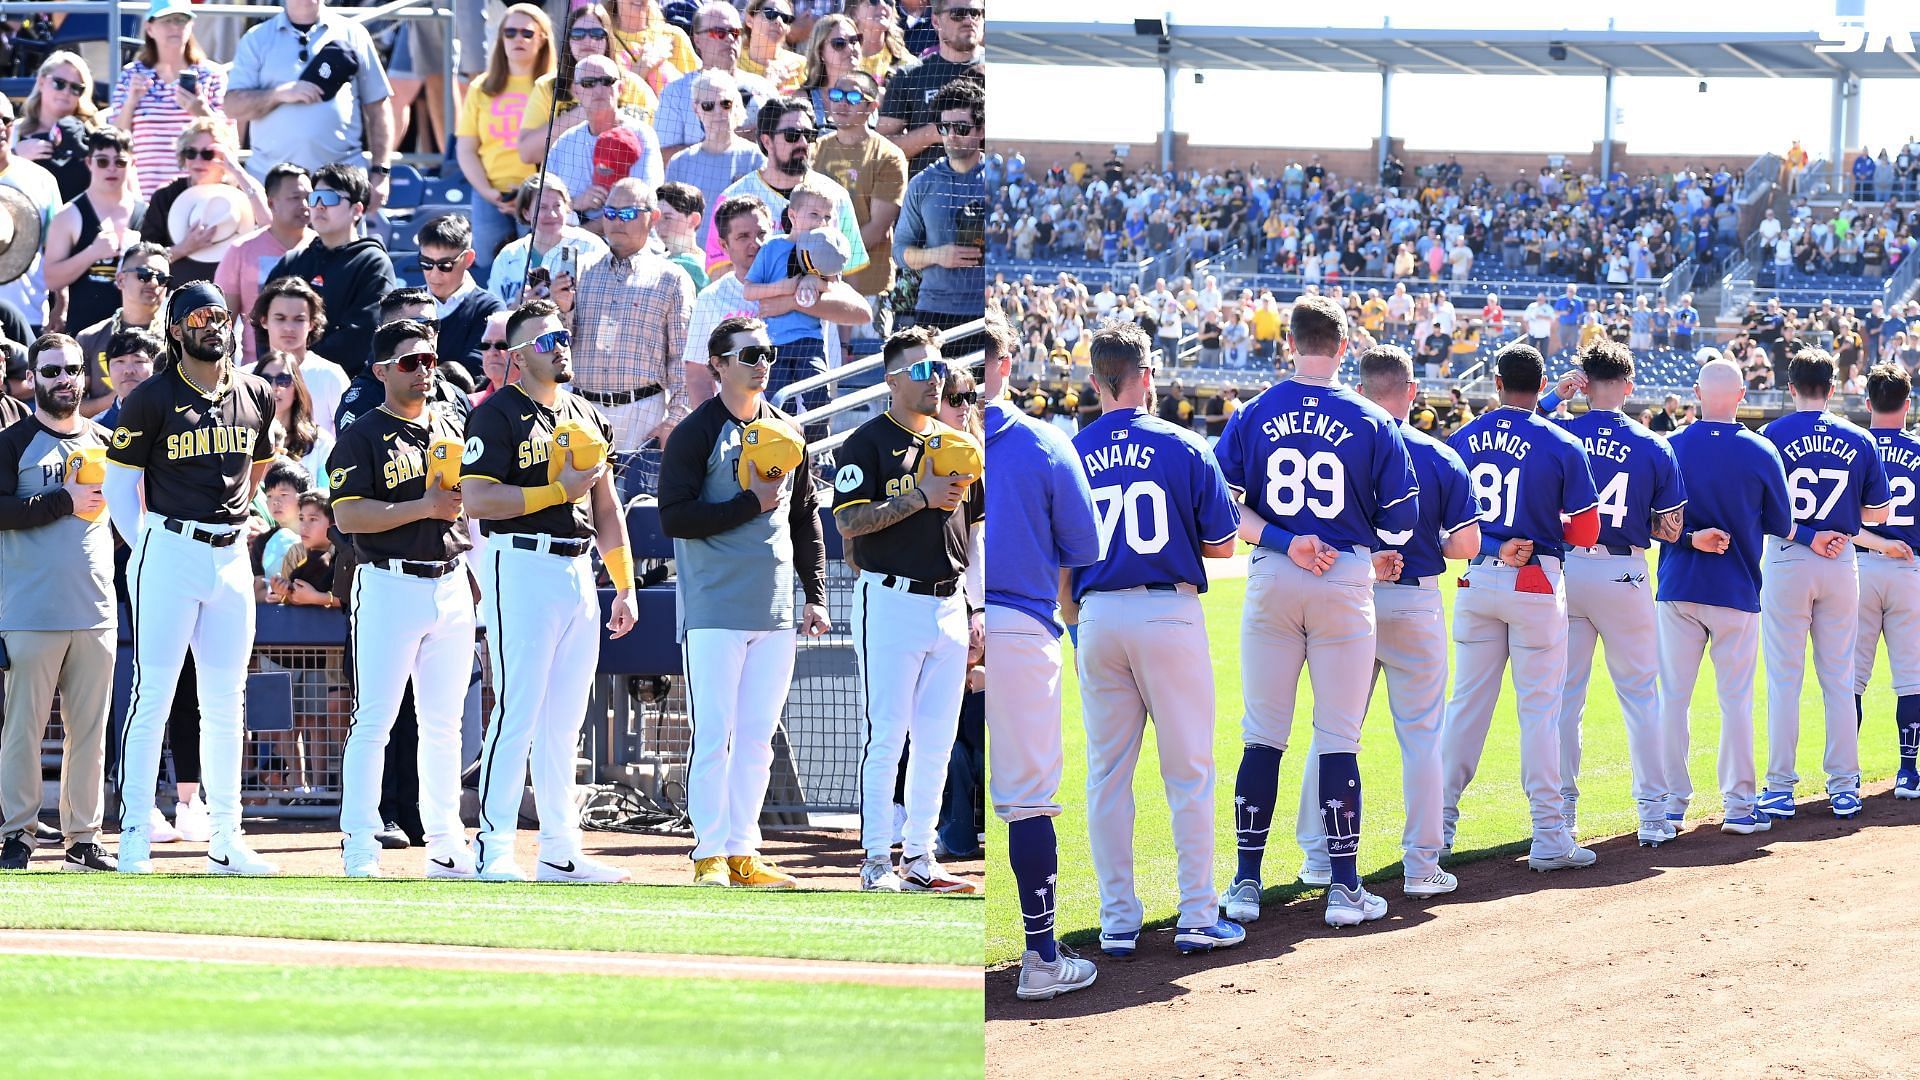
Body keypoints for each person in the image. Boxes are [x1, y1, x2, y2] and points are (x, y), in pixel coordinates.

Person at [1215, 294, 1417, 927]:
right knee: (1338, 737)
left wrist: (1284, 539)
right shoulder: (1372, 419)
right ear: (1344, 347)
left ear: (1289, 344)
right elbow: (1404, 521)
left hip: (1275, 571)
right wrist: (1363, 548)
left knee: (1262, 736)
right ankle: (1344, 888)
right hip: (1344, 576)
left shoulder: (1254, 412)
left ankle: (1246, 883)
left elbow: (1224, 507)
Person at [1064, 321, 1242, 960]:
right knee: (1189, 769)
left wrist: (1073, 619)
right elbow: (1222, 545)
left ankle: (1117, 922)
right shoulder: (1186, 446)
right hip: (1167, 610)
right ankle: (1196, 914)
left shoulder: (1072, 451)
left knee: (1108, 775)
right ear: (1149, 377)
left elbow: (1060, 557)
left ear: (1094, 381)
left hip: (1096, 614)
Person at [458, 298, 638, 883]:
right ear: (517, 356)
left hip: (579, 570)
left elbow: (607, 507)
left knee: (566, 721)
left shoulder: (586, 413)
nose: (559, 345)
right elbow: (478, 500)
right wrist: (554, 493)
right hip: (520, 565)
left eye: (562, 335)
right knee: (517, 710)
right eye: (544, 340)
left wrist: (624, 585)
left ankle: (562, 849)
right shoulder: (497, 415)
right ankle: (494, 849)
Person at [102, 281, 279, 875]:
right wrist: (146, 542)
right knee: (154, 692)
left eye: (219, 314)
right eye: (197, 316)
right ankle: (132, 833)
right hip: (169, 549)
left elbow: (257, 468)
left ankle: (226, 835)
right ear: (175, 330)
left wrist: (233, 525)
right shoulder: (150, 398)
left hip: (230, 556)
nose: (212, 323)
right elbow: (119, 486)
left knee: (226, 698)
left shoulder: (256, 390)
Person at [1292, 343, 1478, 899]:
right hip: (1414, 598)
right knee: (1421, 736)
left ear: (1359, 386)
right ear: (1411, 392)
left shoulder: (1343, 439)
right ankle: (1421, 864)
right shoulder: (1438, 454)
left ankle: (1319, 857)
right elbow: (1466, 543)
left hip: (1348, 593)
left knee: (1334, 730)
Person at [657, 315, 829, 888]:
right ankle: (707, 851)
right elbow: (675, 517)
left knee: (758, 735)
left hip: (776, 607)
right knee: (715, 732)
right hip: (714, 606)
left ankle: (742, 850)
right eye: (749, 354)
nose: (761, 364)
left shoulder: (786, 428)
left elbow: (805, 518)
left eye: (768, 354)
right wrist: (749, 505)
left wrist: (815, 595)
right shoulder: (696, 431)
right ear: (719, 365)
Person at [1440, 342, 1601, 873]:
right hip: (1535, 581)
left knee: (1465, 708)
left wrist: (1490, 544)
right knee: (1540, 713)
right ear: (1539, 386)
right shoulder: (1559, 441)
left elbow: (1445, 523)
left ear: (1496, 381)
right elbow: (1585, 531)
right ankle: (1550, 835)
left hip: (1477, 579)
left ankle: (1434, 829)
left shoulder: (1462, 438)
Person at [832, 325, 982, 893]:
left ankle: (920, 857)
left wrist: (976, 607)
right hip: (890, 598)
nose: (934, 377)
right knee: (888, 734)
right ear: (891, 379)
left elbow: (976, 529)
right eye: (920, 370)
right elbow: (847, 521)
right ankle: (875, 860)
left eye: (939, 367)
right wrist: (919, 497)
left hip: (948, 601)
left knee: (938, 738)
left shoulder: (956, 442)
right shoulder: (866, 442)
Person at [327, 318, 477, 878]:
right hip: (387, 581)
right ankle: (359, 842)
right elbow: (347, 516)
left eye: (431, 360)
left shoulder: (451, 425)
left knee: (444, 723)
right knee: (375, 720)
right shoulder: (362, 433)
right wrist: (424, 508)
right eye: (411, 362)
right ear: (382, 370)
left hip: (450, 577)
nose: (424, 371)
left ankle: (445, 842)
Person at [975, 315, 1097, 996]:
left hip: (931, 616)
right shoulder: (1047, 443)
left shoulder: (924, 440)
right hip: (1020, 623)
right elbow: (1076, 559)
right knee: (1028, 802)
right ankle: (1042, 960)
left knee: (915, 785)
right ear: (1005, 363)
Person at [1543, 342, 1687, 844]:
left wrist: (1549, 399)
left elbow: (1523, 426)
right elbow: (1670, 530)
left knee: (1565, 699)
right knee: (1641, 696)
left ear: (1585, 382)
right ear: (1627, 385)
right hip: (1623, 571)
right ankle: (1652, 814)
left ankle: (1561, 816)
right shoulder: (1653, 443)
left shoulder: (1560, 431)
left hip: (1568, 570)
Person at [1657, 356, 1792, 835]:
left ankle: (1670, 804)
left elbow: (1655, 523)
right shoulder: (1760, 450)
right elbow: (1783, 525)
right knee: (1736, 701)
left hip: (1678, 586)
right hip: (1735, 588)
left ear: (1696, 392)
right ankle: (1738, 806)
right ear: (1741, 396)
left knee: (1672, 698)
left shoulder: (1670, 445)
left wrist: (1691, 534)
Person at [0, 333, 118, 872]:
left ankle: (83, 839)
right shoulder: (12, 441)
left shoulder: (107, 441)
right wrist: (59, 502)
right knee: (21, 729)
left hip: (95, 609)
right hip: (29, 610)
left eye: (72, 370)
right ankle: (17, 835)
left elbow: (125, 519)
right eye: (51, 372)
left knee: (90, 732)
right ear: (32, 379)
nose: (64, 379)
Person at [1758, 347, 1889, 821]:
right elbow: (1879, 513)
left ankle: (1778, 787)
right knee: (1837, 678)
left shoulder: (1771, 435)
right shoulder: (1860, 438)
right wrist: (1842, 522)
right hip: (1841, 559)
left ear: (1790, 387)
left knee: (1784, 679)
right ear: (1833, 389)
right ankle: (1843, 785)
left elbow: (1761, 510)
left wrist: (1809, 533)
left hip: (1790, 556)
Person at [564, 177, 693, 503]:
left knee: (637, 513)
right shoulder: (582, 270)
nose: (616, 222)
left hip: (643, 412)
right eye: (610, 212)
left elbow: (683, 355)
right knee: (581, 511)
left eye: (628, 213)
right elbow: (562, 345)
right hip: (584, 409)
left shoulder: (671, 277)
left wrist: (675, 418)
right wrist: (560, 308)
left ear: (654, 217)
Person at [681, 193, 869, 406]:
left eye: (762, 233)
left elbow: (863, 313)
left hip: (810, 418)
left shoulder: (807, 272)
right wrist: (712, 432)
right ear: (724, 246)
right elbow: (697, 375)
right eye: (743, 236)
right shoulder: (711, 298)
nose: (756, 243)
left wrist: (794, 303)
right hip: (742, 425)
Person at [224, 0, 393, 200]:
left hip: (341, 183)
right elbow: (232, 106)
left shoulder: (354, 34)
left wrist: (381, 172)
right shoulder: (256, 38)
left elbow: (378, 106)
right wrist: (278, 94)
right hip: (271, 182)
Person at [703, 96, 868, 282]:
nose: (803, 143)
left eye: (809, 135)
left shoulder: (835, 196)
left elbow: (852, 273)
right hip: (753, 308)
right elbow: (719, 273)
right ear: (767, 141)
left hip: (818, 306)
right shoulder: (733, 198)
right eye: (792, 135)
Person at [1855, 363, 1920, 801]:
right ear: (1907, 403)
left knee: (1850, 676)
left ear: (1867, 403)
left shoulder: (1852, 447)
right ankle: (1908, 772)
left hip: (1857, 566)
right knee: (1912, 675)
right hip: (1911, 568)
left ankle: (1846, 774)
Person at [265, 164, 398, 379]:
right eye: (314, 197)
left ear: (357, 210)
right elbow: (264, 324)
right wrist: (278, 371)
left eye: (330, 198)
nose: (318, 206)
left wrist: (305, 367)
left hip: (343, 386)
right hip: (281, 382)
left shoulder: (372, 263)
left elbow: (361, 336)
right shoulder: (292, 261)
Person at [454, 2, 554, 278]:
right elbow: (466, 148)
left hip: (540, 196)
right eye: (509, 33)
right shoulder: (481, 87)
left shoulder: (553, 87)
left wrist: (530, 196)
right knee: (490, 271)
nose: (517, 39)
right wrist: (488, 192)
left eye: (527, 33)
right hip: (491, 196)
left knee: (539, 272)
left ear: (543, 39)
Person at [896, 79, 984, 353]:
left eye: (961, 128)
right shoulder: (923, 183)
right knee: (937, 394)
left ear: (982, 129)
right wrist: (938, 255)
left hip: (987, 312)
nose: (952, 136)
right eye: (945, 128)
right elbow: (899, 251)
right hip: (935, 312)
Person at [516, 3, 660, 170]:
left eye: (597, 34)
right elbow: (527, 153)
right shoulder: (548, 87)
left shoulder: (634, 86)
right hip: (564, 181)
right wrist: (587, 111)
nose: (588, 40)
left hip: (624, 179)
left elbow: (657, 141)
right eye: (578, 34)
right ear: (568, 40)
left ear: (608, 39)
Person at [110, 0, 229, 200]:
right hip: (144, 194)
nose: (175, 26)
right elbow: (116, 138)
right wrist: (131, 102)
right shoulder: (132, 74)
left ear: (191, 26)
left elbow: (229, 138)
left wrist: (200, 110)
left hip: (199, 193)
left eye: (181, 20)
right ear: (149, 27)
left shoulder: (211, 74)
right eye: (167, 20)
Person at [814, 70, 903, 335]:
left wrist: (826, 261)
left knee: (865, 371)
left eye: (853, 97)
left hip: (869, 289)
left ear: (872, 107)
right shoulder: (815, 149)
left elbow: (877, 228)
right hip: (819, 285)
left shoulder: (888, 156)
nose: (841, 103)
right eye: (837, 95)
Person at [137, 118, 271, 288]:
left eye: (208, 154)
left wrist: (237, 170)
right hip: (177, 295)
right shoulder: (165, 196)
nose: (198, 160)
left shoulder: (243, 191)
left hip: (231, 296)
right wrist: (184, 247)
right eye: (191, 153)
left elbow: (269, 226)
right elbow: (143, 261)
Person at [540, 54, 665, 229]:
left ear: (620, 88)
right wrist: (575, 203)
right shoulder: (563, 145)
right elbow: (542, 204)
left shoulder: (642, 135)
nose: (599, 89)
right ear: (576, 91)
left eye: (607, 81)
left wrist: (583, 234)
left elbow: (642, 205)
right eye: (588, 83)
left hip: (629, 243)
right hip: (570, 244)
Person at [45, 130, 140, 349]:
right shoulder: (69, 215)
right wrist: (92, 253)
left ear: (132, 163)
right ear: (89, 162)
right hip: (85, 333)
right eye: (103, 161)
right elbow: (51, 278)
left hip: (138, 336)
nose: (111, 168)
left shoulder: (146, 213)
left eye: (120, 162)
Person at [214, 163, 312, 368]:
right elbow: (223, 322)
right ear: (271, 202)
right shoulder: (241, 250)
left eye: (308, 197)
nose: (304, 204)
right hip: (256, 370)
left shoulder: (322, 248)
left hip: (312, 370)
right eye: (295, 198)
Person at [655, 1, 777, 159]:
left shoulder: (764, 90)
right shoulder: (675, 93)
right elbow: (663, 157)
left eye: (735, 32)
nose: (729, 38)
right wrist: (727, 141)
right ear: (697, 39)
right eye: (719, 33)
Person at [663, 68, 766, 252]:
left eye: (725, 103)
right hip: (691, 261)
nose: (718, 111)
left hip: (740, 261)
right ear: (696, 109)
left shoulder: (755, 158)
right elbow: (669, 221)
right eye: (708, 106)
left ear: (735, 105)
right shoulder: (679, 163)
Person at [877, 0, 982, 177]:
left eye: (976, 13)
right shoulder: (910, 75)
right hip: (928, 194)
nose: (968, 20)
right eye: (958, 14)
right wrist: (936, 131)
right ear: (935, 21)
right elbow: (881, 148)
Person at [76, 245, 170, 419]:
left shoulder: (177, 339)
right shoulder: (89, 338)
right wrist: (118, 400)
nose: (154, 283)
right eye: (144, 274)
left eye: (162, 278)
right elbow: (72, 407)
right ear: (120, 280)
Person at [411, 214, 506, 382]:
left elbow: (472, 374)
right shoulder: (406, 303)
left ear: (468, 259)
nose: (434, 273)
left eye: (445, 265)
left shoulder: (490, 309)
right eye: (425, 263)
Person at [250, 276, 349, 438]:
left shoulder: (330, 375)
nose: (289, 328)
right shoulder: (245, 376)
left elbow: (349, 440)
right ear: (264, 320)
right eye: (280, 318)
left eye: (299, 319)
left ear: (312, 323)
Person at [486, 176, 609, 304]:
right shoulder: (508, 255)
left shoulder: (591, 247)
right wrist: (518, 308)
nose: (552, 214)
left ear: (567, 209)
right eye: (542, 207)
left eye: (557, 206)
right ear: (526, 213)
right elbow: (493, 314)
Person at [0, 95, 62, 332]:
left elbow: (56, 249)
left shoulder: (41, 180)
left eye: (5, 119)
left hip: (29, 314)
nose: (0, 127)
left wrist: (61, 304)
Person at [12, 51, 101, 204]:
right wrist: (14, 157)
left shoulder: (93, 136)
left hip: (81, 225)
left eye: (75, 88)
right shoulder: (12, 132)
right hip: (28, 224)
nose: (66, 92)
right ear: (41, 82)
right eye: (59, 83)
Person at [253, 349, 331, 487]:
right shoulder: (244, 438)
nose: (274, 387)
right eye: (266, 380)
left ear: (297, 388)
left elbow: (325, 496)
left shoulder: (321, 442)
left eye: (283, 380)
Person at [96, 326, 163, 428]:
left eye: (139, 361)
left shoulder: (178, 420)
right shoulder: (98, 428)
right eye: (120, 361)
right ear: (108, 369)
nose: (129, 370)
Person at [739, 0, 807, 92]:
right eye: (770, 13)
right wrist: (769, 84)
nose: (779, 21)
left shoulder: (800, 65)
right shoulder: (731, 61)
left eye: (786, 18)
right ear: (749, 20)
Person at [653, 181, 711, 288]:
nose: (659, 226)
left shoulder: (700, 266)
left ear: (694, 220)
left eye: (667, 218)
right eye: (656, 218)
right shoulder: (658, 259)